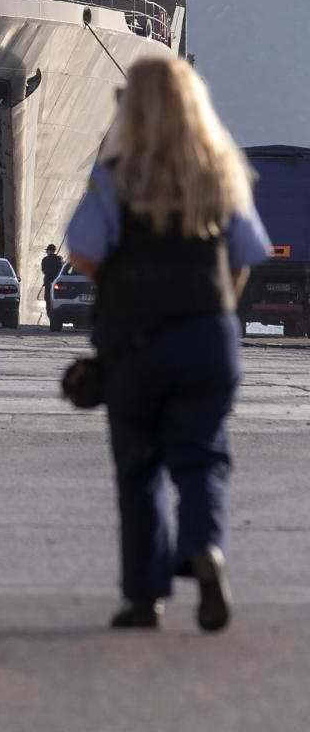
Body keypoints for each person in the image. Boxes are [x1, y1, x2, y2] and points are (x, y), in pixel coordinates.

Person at [65, 56, 271, 633]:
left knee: (140, 467)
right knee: (202, 456)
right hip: (209, 336)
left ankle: (144, 598)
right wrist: (217, 307)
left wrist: (129, 284)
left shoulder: (115, 176)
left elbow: (82, 253)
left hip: (134, 341)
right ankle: (206, 548)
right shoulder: (220, 172)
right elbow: (247, 257)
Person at [41, 243, 62, 312]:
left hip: (48, 280)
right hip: (57, 281)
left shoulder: (45, 259)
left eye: (47, 250)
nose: (46, 252)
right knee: (57, 297)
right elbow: (61, 269)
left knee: (48, 298)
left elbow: (43, 270)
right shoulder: (59, 259)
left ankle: (49, 313)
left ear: (49, 251)